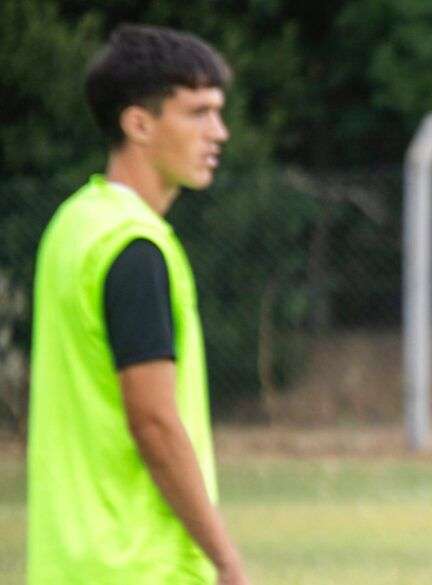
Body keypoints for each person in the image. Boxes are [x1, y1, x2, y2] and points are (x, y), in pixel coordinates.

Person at [27, 24, 249, 584]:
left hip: (69, 563)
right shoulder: (134, 247)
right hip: (141, 562)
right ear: (139, 124)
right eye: (198, 113)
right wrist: (226, 559)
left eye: (218, 112)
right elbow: (153, 421)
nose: (218, 132)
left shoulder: (75, 224)